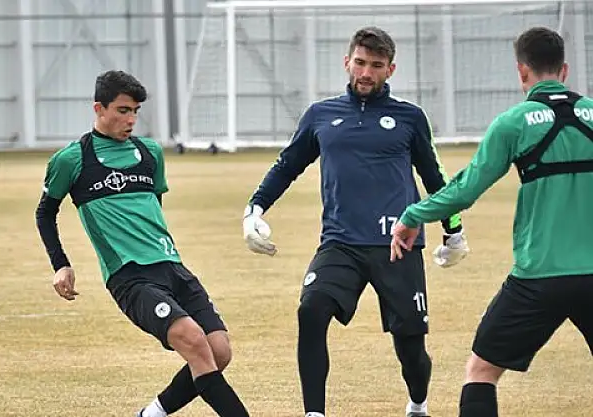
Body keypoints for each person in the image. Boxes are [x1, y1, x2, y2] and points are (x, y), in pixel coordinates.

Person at [243, 26, 469, 417]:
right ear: (347, 62)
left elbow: (434, 177)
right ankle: (314, 413)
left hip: (398, 244)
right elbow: (287, 166)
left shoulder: (410, 118)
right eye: (360, 63)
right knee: (311, 310)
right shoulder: (320, 115)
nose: (366, 73)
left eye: (376, 65)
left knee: (411, 349)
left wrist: (454, 231)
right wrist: (255, 209)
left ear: (390, 69)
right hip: (341, 243)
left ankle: (418, 403)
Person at [391, 26, 593, 417]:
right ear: (565, 70)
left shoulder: (513, 123)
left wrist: (413, 215)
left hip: (539, 276)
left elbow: (464, 190)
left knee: (481, 372)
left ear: (522, 71)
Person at [35, 70, 251, 417]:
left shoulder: (150, 152)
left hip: (172, 267)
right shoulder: (72, 160)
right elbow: (45, 213)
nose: (131, 119)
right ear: (99, 108)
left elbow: (154, 208)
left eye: (135, 111)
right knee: (194, 341)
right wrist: (60, 264)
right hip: (130, 276)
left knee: (219, 351)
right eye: (123, 110)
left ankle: (150, 414)